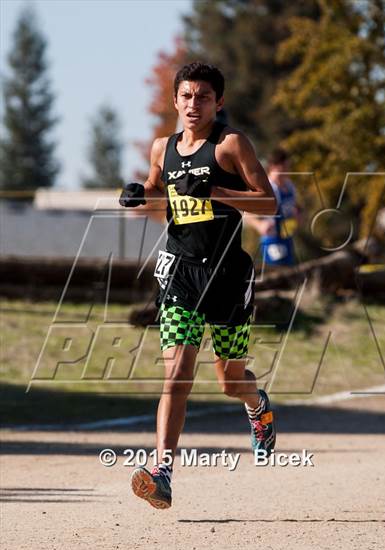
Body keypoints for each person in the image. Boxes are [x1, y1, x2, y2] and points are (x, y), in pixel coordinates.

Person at [119, 62, 277, 509]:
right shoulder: (161, 148)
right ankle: (162, 471)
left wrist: (214, 193)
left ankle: (256, 402)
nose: (194, 104)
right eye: (186, 96)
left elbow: (268, 201)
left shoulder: (230, 145)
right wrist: (139, 195)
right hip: (181, 273)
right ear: (175, 100)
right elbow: (156, 188)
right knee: (176, 374)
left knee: (230, 381)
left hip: (227, 276)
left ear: (218, 102)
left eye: (203, 97)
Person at [246, 148, 298, 266]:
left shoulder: (290, 186)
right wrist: (260, 225)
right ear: (274, 166)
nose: (288, 170)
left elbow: (295, 208)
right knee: (277, 275)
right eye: (285, 167)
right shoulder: (266, 188)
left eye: (288, 166)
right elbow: (247, 214)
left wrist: (298, 216)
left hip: (287, 238)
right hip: (272, 240)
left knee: (290, 273)